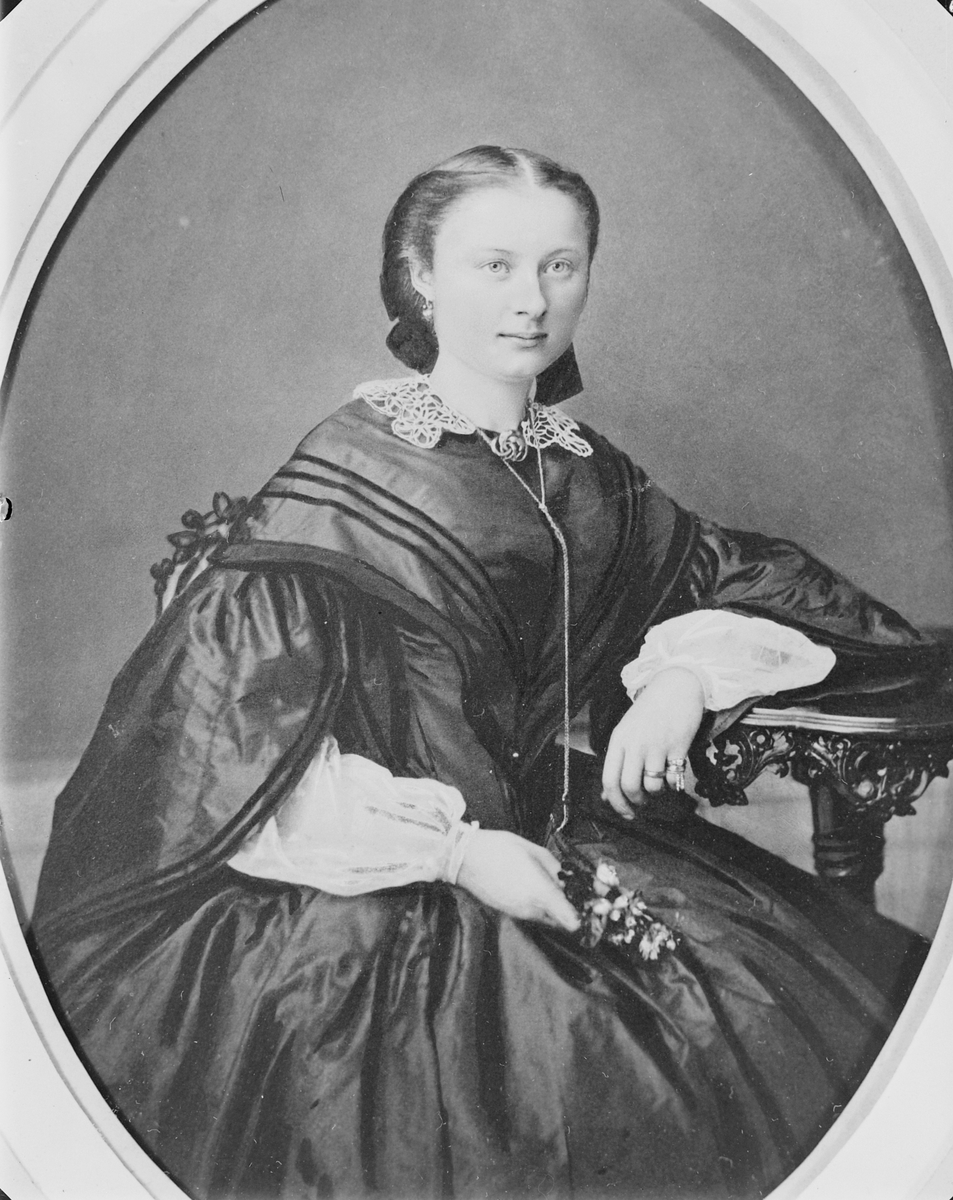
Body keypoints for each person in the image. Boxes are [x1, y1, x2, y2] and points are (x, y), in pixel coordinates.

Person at [30, 146, 942, 1200]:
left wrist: (680, 680)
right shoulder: (348, 472)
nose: (531, 301)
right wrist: (460, 854)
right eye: (494, 265)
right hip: (374, 877)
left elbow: (744, 581)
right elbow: (227, 759)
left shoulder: (586, 470)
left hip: (565, 829)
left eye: (561, 266)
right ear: (419, 276)